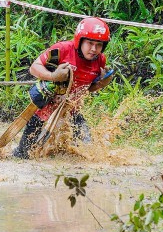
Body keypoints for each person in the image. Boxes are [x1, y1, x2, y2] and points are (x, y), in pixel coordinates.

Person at [13, 17, 114, 159]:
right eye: (90, 43)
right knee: (23, 154)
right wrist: (53, 76)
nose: (94, 49)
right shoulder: (62, 49)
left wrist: (101, 84)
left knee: (87, 151)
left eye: (99, 45)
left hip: (71, 111)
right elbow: (34, 68)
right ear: (80, 40)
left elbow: (88, 88)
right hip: (46, 108)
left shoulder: (100, 60)